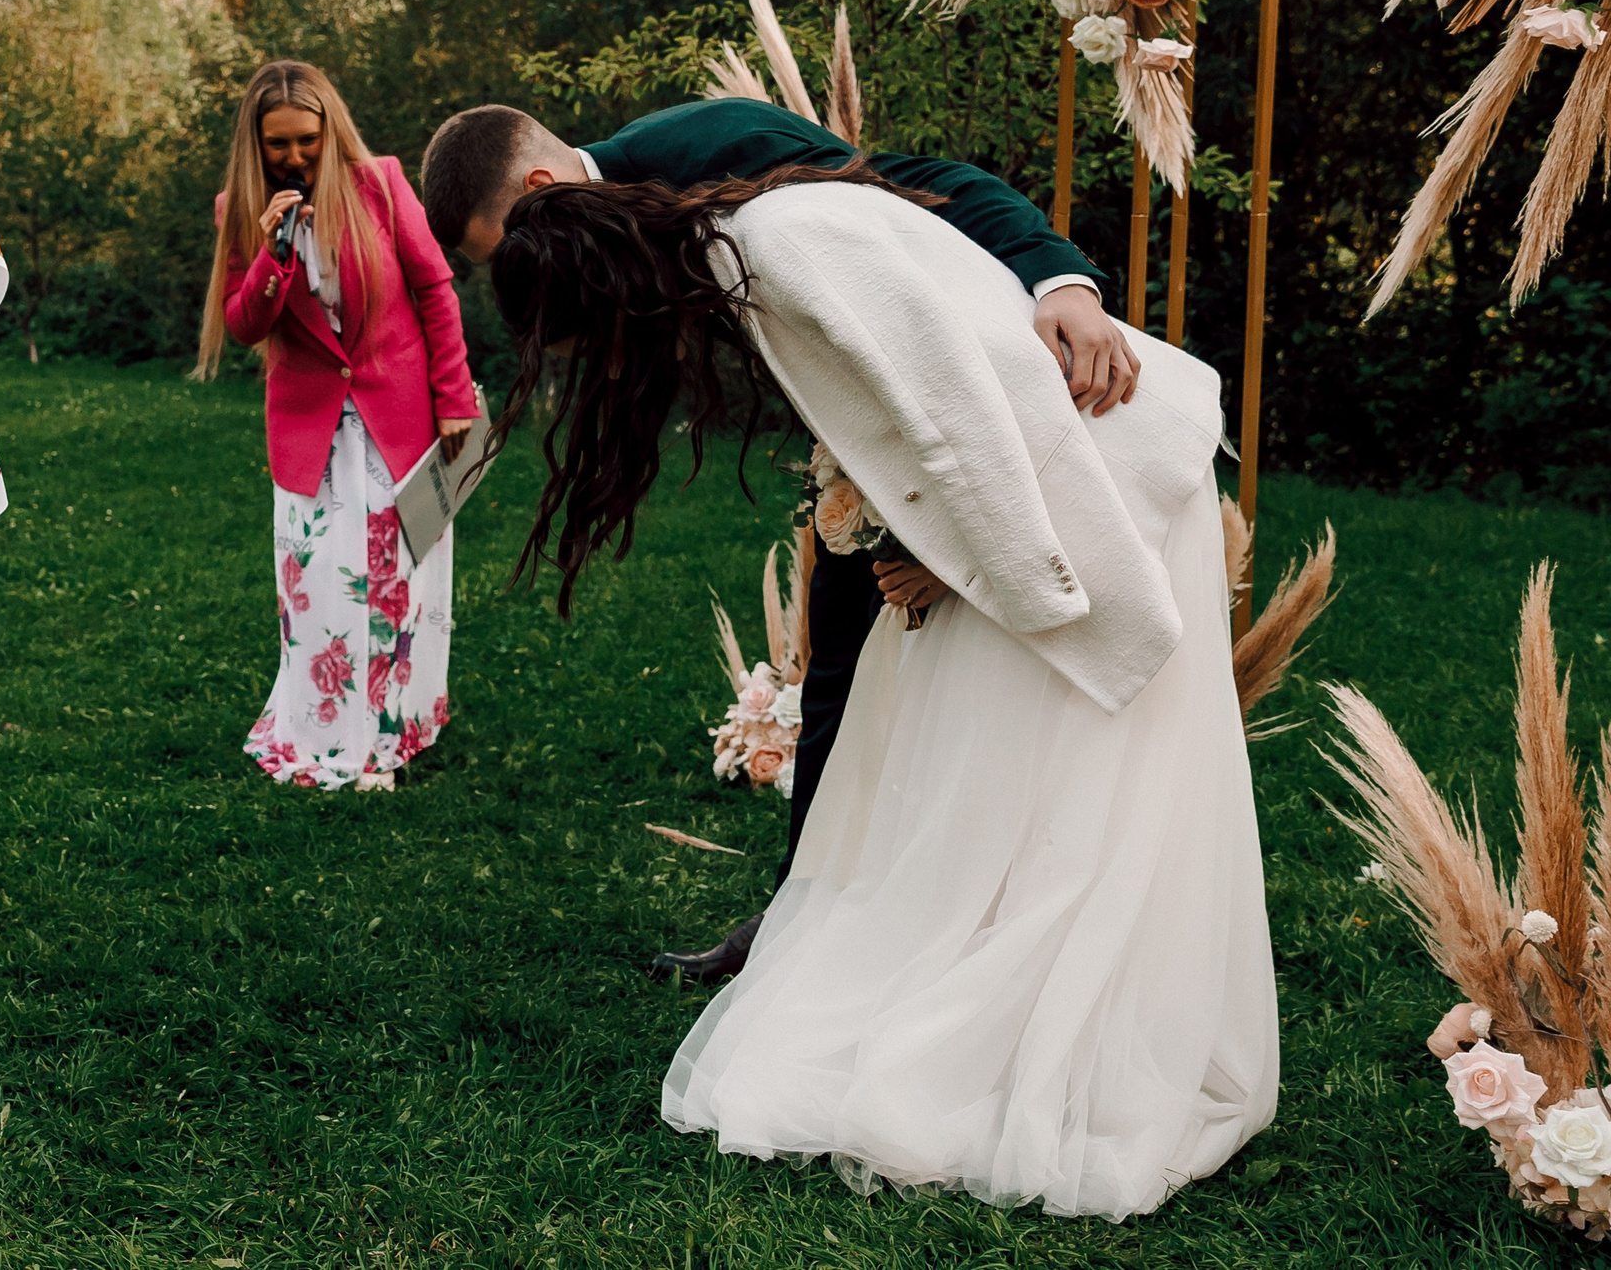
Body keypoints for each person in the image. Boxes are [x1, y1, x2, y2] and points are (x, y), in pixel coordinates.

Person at [486, 168, 1276, 1220]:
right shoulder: (754, 245)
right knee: (1004, 783)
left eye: (595, 337)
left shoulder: (781, 249)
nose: (624, 363)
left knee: (1073, 783)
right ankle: (1024, 1034)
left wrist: (968, 569)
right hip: (1044, 497)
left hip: (1092, 490)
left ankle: (1061, 1051)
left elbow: (970, 402)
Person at [420, 97, 1136, 983]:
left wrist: (1061, 282)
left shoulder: (718, 153)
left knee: (957, 686)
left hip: (994, 422)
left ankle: (987, 927)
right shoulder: (613, 222)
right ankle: (803, 915)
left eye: (507, 247)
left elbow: (921, 192)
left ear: (538, 185)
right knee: (834, 671)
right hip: (860, 446)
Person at [196, 61, 480, 791]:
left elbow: (434, 288)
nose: (293, 156)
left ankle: (393, 733)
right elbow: (243, 323)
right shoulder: (240, 208)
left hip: (398, 417)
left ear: (330, 129)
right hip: (311, 429)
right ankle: (324, 731)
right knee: (318, 584)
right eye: (277, 143)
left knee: (396, 580)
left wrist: (454, 397)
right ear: (255, 143)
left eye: (307, 139)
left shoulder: (379, 183)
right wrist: (272, 255)